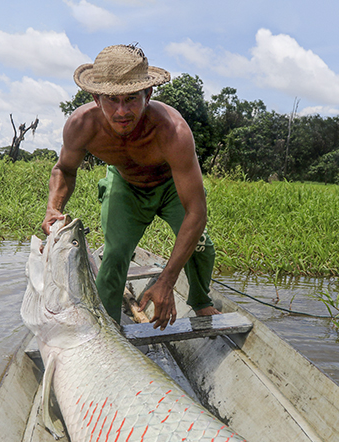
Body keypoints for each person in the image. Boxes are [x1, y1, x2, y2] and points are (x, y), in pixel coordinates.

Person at [42, 44, 219, 329]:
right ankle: (108, 328)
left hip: (171, 187)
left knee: (202, 248)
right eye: (112, 100)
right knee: (113, 257)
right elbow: (64, 169)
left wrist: (166, 281)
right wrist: (54, 208)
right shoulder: (81, 124)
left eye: (131, 99)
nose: (122, 111)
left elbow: (196, 213)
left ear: (148, 95)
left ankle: (200, 302)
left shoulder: (172, 130)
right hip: (126, 185)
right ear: (96, 97)